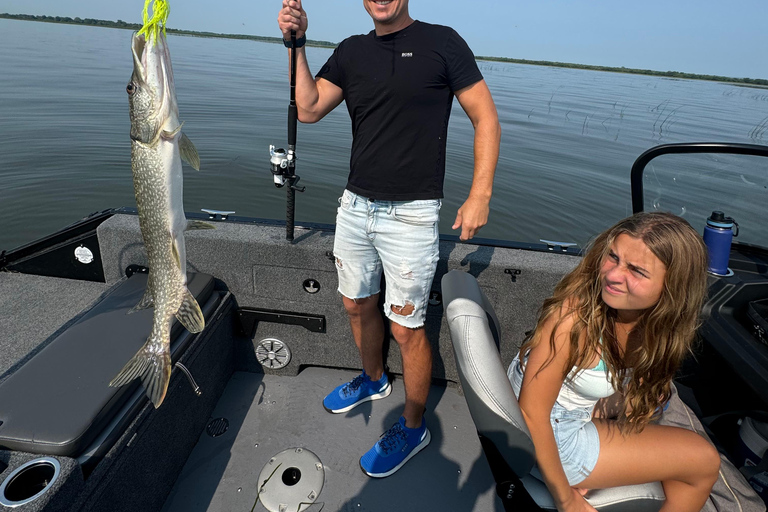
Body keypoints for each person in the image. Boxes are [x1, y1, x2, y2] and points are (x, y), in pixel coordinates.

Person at [277, 0, 501, 478]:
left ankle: (414, 424)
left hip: (413, 214)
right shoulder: (352, 50)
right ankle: (375, 379)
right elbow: (310, 107)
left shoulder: (443, 42)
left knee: (406, 328)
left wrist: (479, 193)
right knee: (356, 304)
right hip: (355, 206)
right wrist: (296, 45)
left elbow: (486, 117)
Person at [507, 211, 721, 511]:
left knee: (653, 397)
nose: (612, 275)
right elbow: (531, 414)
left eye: (636, 270)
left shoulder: (637, 320)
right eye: (613, 257)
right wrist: (567, 500)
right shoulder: (572, 318)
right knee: (704, 461)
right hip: (548, 441)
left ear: (673, 286)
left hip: (560, 422)